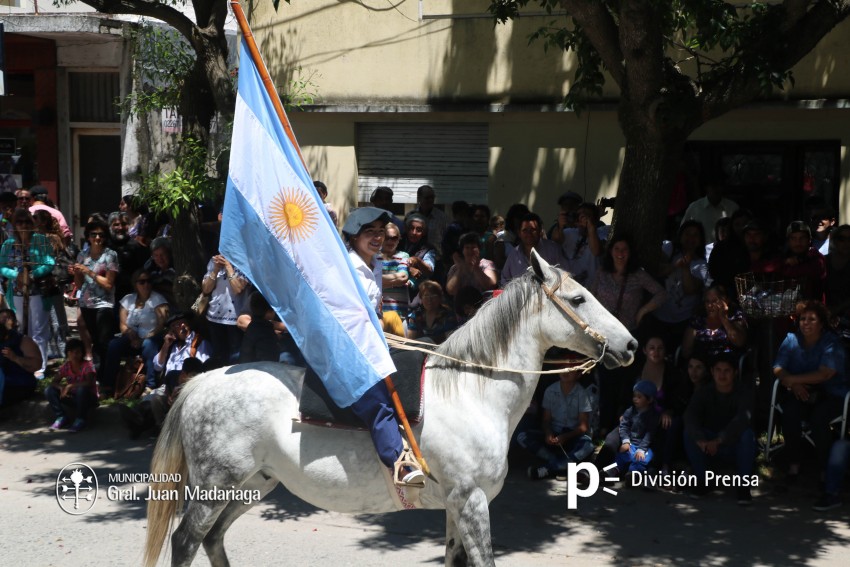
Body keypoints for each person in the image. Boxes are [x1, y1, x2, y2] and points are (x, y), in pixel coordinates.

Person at [342, 207, 425, 487]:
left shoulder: (375, 263)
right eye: (370, 232)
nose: (377, 238)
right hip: (351, 346)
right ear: (354, 237)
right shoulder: (348, 267)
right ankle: (399, 463)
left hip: (373, 340)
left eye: (381, 232)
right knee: (376, 399)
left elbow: (375, 309)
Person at [592, 234, 666, 431]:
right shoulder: (601, 272)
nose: (620, 253)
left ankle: (624, 428)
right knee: (606, 383)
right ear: (610, 251)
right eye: (617, 249)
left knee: (626, 385)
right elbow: (590, 296)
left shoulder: (638, 274)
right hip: (605, 336)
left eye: (624, 249)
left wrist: (643, 310)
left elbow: (661, 293)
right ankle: (604, 426)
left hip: (627, 335)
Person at [774, 301, 847, 482]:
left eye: (811, 319)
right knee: (790, 413)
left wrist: (792, 380)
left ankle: (825, 469)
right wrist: (794, 384)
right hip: (803, 392)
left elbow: (825, 373)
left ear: (821, 323)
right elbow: (778, 367)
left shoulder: (832, 342)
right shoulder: (791, 339)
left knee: (818, 419)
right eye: (803, 319)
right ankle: (794, 465)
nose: (805, 322)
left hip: (832, 393)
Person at [684, 353, 756, 504]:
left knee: (747, 435)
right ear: (712, 371)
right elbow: (690, 416)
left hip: (732, 444)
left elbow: (742, 420)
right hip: (708, 444)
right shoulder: (704, 392)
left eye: (727, 370)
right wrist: (701, 440)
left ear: (735, 372)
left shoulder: (744, 392)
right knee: (689, 434)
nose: (722, 375)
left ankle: (743, 486)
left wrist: (719, 440)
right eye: (718, 370)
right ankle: (703, 481)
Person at [0, 208, 56, 378]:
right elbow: (2, 266)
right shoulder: (8, 244)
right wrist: (16, 275)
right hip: (17, 292)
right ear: (14, 224)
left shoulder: (41, 240)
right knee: (20, 327)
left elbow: (49, 262)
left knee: (38, 328)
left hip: (38, 290)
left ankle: (40, 366)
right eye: (19, 222)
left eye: (26, 222)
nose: (23, 225)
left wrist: (32, 274)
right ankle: (23, 362)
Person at [520, 367, 594, 480]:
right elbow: (546, 420)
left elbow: (583, 427)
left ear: (578, 375)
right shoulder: (550, 390)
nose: (565, 372)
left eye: (571, 370)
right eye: (563, 368)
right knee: (522, 437)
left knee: (588, 445)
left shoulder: (582, 393)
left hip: (572, 436)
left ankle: (549, 469)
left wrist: (565, 436)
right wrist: (548, 433)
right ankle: (560, 464)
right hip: (554, 435)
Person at [102, 269, 169, 391]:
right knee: (114, 345)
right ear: (135, 284)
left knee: (149, 345)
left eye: (148, 281)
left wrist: (144, 338)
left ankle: (150, 384)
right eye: (142, 282)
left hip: (152, 336)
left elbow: (162, 325)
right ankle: (108, 385)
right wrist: (130, 334)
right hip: (131, 337)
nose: (146, 284)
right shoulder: (128, 300)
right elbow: (122, 325)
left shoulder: (158, 300)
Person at [72, 217, 118, 389]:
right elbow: (78, 284)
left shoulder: (110, 255)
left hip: (104, 304)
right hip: (86, 304)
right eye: (94, 235)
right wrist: (76, 272)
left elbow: (108, 284)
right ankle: (98, 379)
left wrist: (89, 272)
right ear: (88, 237)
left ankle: (108, 379)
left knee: (104, 342)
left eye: (101, 235)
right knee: (94, 342)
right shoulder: (82, 255)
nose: (97, 238)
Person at [652, 220, 711, 351]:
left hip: (683, 320)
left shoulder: (702, 264)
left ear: (701, 240)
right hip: (658, 315)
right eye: (688, 233)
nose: (691, 238)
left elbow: (690, 290)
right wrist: (675, 265)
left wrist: (685, 268)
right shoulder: (669, 248)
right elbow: (656, 271)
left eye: (696, 235)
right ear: (680, 235)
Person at [202, 253, 249, 365]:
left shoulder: (244, 261)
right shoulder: (213, 261)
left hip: (235, 320)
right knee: (218, 358)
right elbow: (206, 289)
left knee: (235, 358)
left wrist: (228, 266)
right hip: (214, 318)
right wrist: (215, 270)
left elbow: (238, 289)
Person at [681, 285, 748, 360]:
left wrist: (724, 318)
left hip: (726, 365)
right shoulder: (698, 318)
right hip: (703, 364)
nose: (710, 305)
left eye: (714, 301)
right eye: (707, 301)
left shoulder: (735, 315)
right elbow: (686, 351)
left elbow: (739, 342)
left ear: (725, 301)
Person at [500, 213, 568, 286]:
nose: (529, 233)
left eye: (533, 229)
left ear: (540, 231)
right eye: (525, 230)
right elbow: (504, 280)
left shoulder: (553, 249)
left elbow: (566, 275)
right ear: (519, 233)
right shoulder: (514, 254)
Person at [45, 338, 97, 432]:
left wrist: (71, 386)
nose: (74, 355)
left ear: (82, 353)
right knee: (49, 390)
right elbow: (54, 381)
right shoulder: (66, 366)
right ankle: (61, 417)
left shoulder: (88, 365)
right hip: (74, 397)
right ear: (67, 353)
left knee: (81, 389)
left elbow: (89, 383)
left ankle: (81, 419)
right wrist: (61, 387)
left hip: (88, 398)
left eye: (77, 352)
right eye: (71, 352)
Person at [611, 380, 661, 478]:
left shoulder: (653, 416)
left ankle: (633, 474)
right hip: (631, 444)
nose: (635, 399)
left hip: (645, 447)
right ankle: (612, 471)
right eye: (634, 396)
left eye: (639, 397)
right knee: (622, 456)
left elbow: (649, 434)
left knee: (643, 459)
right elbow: (624, 426)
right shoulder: (630, 411)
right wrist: (625, 441)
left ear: (649, 400)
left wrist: (642, 449)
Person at [153, 312, 212, 391]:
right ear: (172, 331)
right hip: (167, 388)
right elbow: (157, 367)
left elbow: (202, 370)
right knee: (150, 399)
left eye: (184, 322)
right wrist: (165, 345)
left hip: (188, 387)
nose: (183, 326)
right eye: (178, 325)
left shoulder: (199, 342)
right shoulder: (171, 347)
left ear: (189, 324)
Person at [0, 308, 41, 411]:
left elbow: (37, 365)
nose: (6, 321)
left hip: (19, 384)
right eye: (3, 318)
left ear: (14, 321)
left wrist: (15, 358)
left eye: (9, 318)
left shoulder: (24, 340)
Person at [558, 203, 607, 287]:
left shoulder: (603, 233)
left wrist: (591, 227)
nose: (582, 218)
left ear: (596, 218)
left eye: (587, 215)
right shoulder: (569, 232)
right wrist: (560, 225)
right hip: (569, 287)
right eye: (579, 215)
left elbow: (596, 251)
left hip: (592, 289)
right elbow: (555, 239)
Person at [680, 175, 739, 244]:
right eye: (713, 186)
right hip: (701, 251)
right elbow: (683, 230)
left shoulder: (732, 207)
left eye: (719, 186)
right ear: (706, 188)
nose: (716, 189)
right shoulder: (695, 207)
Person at [781, 220, 826, 302]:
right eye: (793, 238)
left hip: (812, 310)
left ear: (810, 240)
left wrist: (783, 266)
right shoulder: (783, 257)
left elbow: (803, 271)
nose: (798, 242)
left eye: (802, 238)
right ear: (788, 241)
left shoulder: (817, 258)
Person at [445, 232, 497, 297]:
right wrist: (460, 269)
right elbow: (451, 291)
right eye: (467, 247)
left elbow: (491, 286)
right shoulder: (455, 268)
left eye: (473, 247)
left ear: (479, 249)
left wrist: (476, 268)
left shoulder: (487, 264)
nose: (470, 251)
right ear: (462, 250)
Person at [400, 213, 438, 298]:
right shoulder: (397, 242)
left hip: (416, 294)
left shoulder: (428, 248)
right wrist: (409, 269)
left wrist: (417, 260)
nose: (414, 233)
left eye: (419, 230)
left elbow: (429, 270)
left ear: (424, 232)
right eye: (411, 228)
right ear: (406, 229)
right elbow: (388, 260)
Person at [380, 222, 411, 320]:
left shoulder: (403, 256)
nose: (390, 241)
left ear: (398, 240)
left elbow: (402, 277)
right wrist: (395, 283)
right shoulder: (373, 256)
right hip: (379, 312)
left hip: (399, 312)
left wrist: (378, 281)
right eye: (387, 237)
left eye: (394, 238)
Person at [825, 224, 850, 317]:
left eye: (849, 239)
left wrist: (837, 309)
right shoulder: (823, 262)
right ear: (835, 241)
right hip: (823, 313)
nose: (846, 243)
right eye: (841, 239)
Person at [412, 185, 447, 250]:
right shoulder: (411, 216)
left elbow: (446, 239)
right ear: (419, 198)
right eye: (427, 198)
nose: (430, 200)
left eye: (432, 197)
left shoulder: (441, 217)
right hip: (414, 256)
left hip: (436, 257)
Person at [145, 237, 176, 308]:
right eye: (156, 255)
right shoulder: (149, 267)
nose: (160, 259)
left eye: (163, 254)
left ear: (169, 253)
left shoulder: (177, 267)